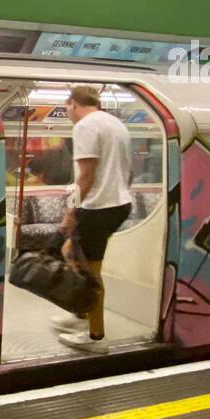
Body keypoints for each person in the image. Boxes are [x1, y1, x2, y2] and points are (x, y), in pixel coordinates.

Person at [53, 85, 132, 352]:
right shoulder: (116, 124)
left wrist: (70, 212)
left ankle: (95, 337)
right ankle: (82, 313)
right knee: (70, 252)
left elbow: (85, 175)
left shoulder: (86, 126)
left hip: (98, 207)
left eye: (66, 108)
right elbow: (128, 171)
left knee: (90, 272)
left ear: (74, 103)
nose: (68, 114)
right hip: (119, 204)